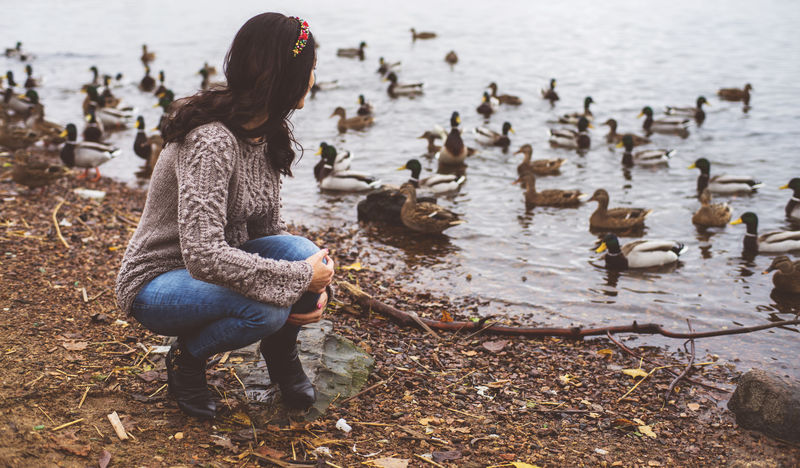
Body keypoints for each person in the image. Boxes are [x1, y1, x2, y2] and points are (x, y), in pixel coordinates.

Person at [115, 13, 334, 419]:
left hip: (214, 269)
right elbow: (202, 255)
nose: (312, 81)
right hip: (157, 280)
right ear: (284, 74)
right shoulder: (212, 141)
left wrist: (309, 289)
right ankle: (188, 359)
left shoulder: (266, 133)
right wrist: (300, 281)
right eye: (310, 70)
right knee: (268, 308)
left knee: (303, 252)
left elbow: (268, 233)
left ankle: (280, 351)